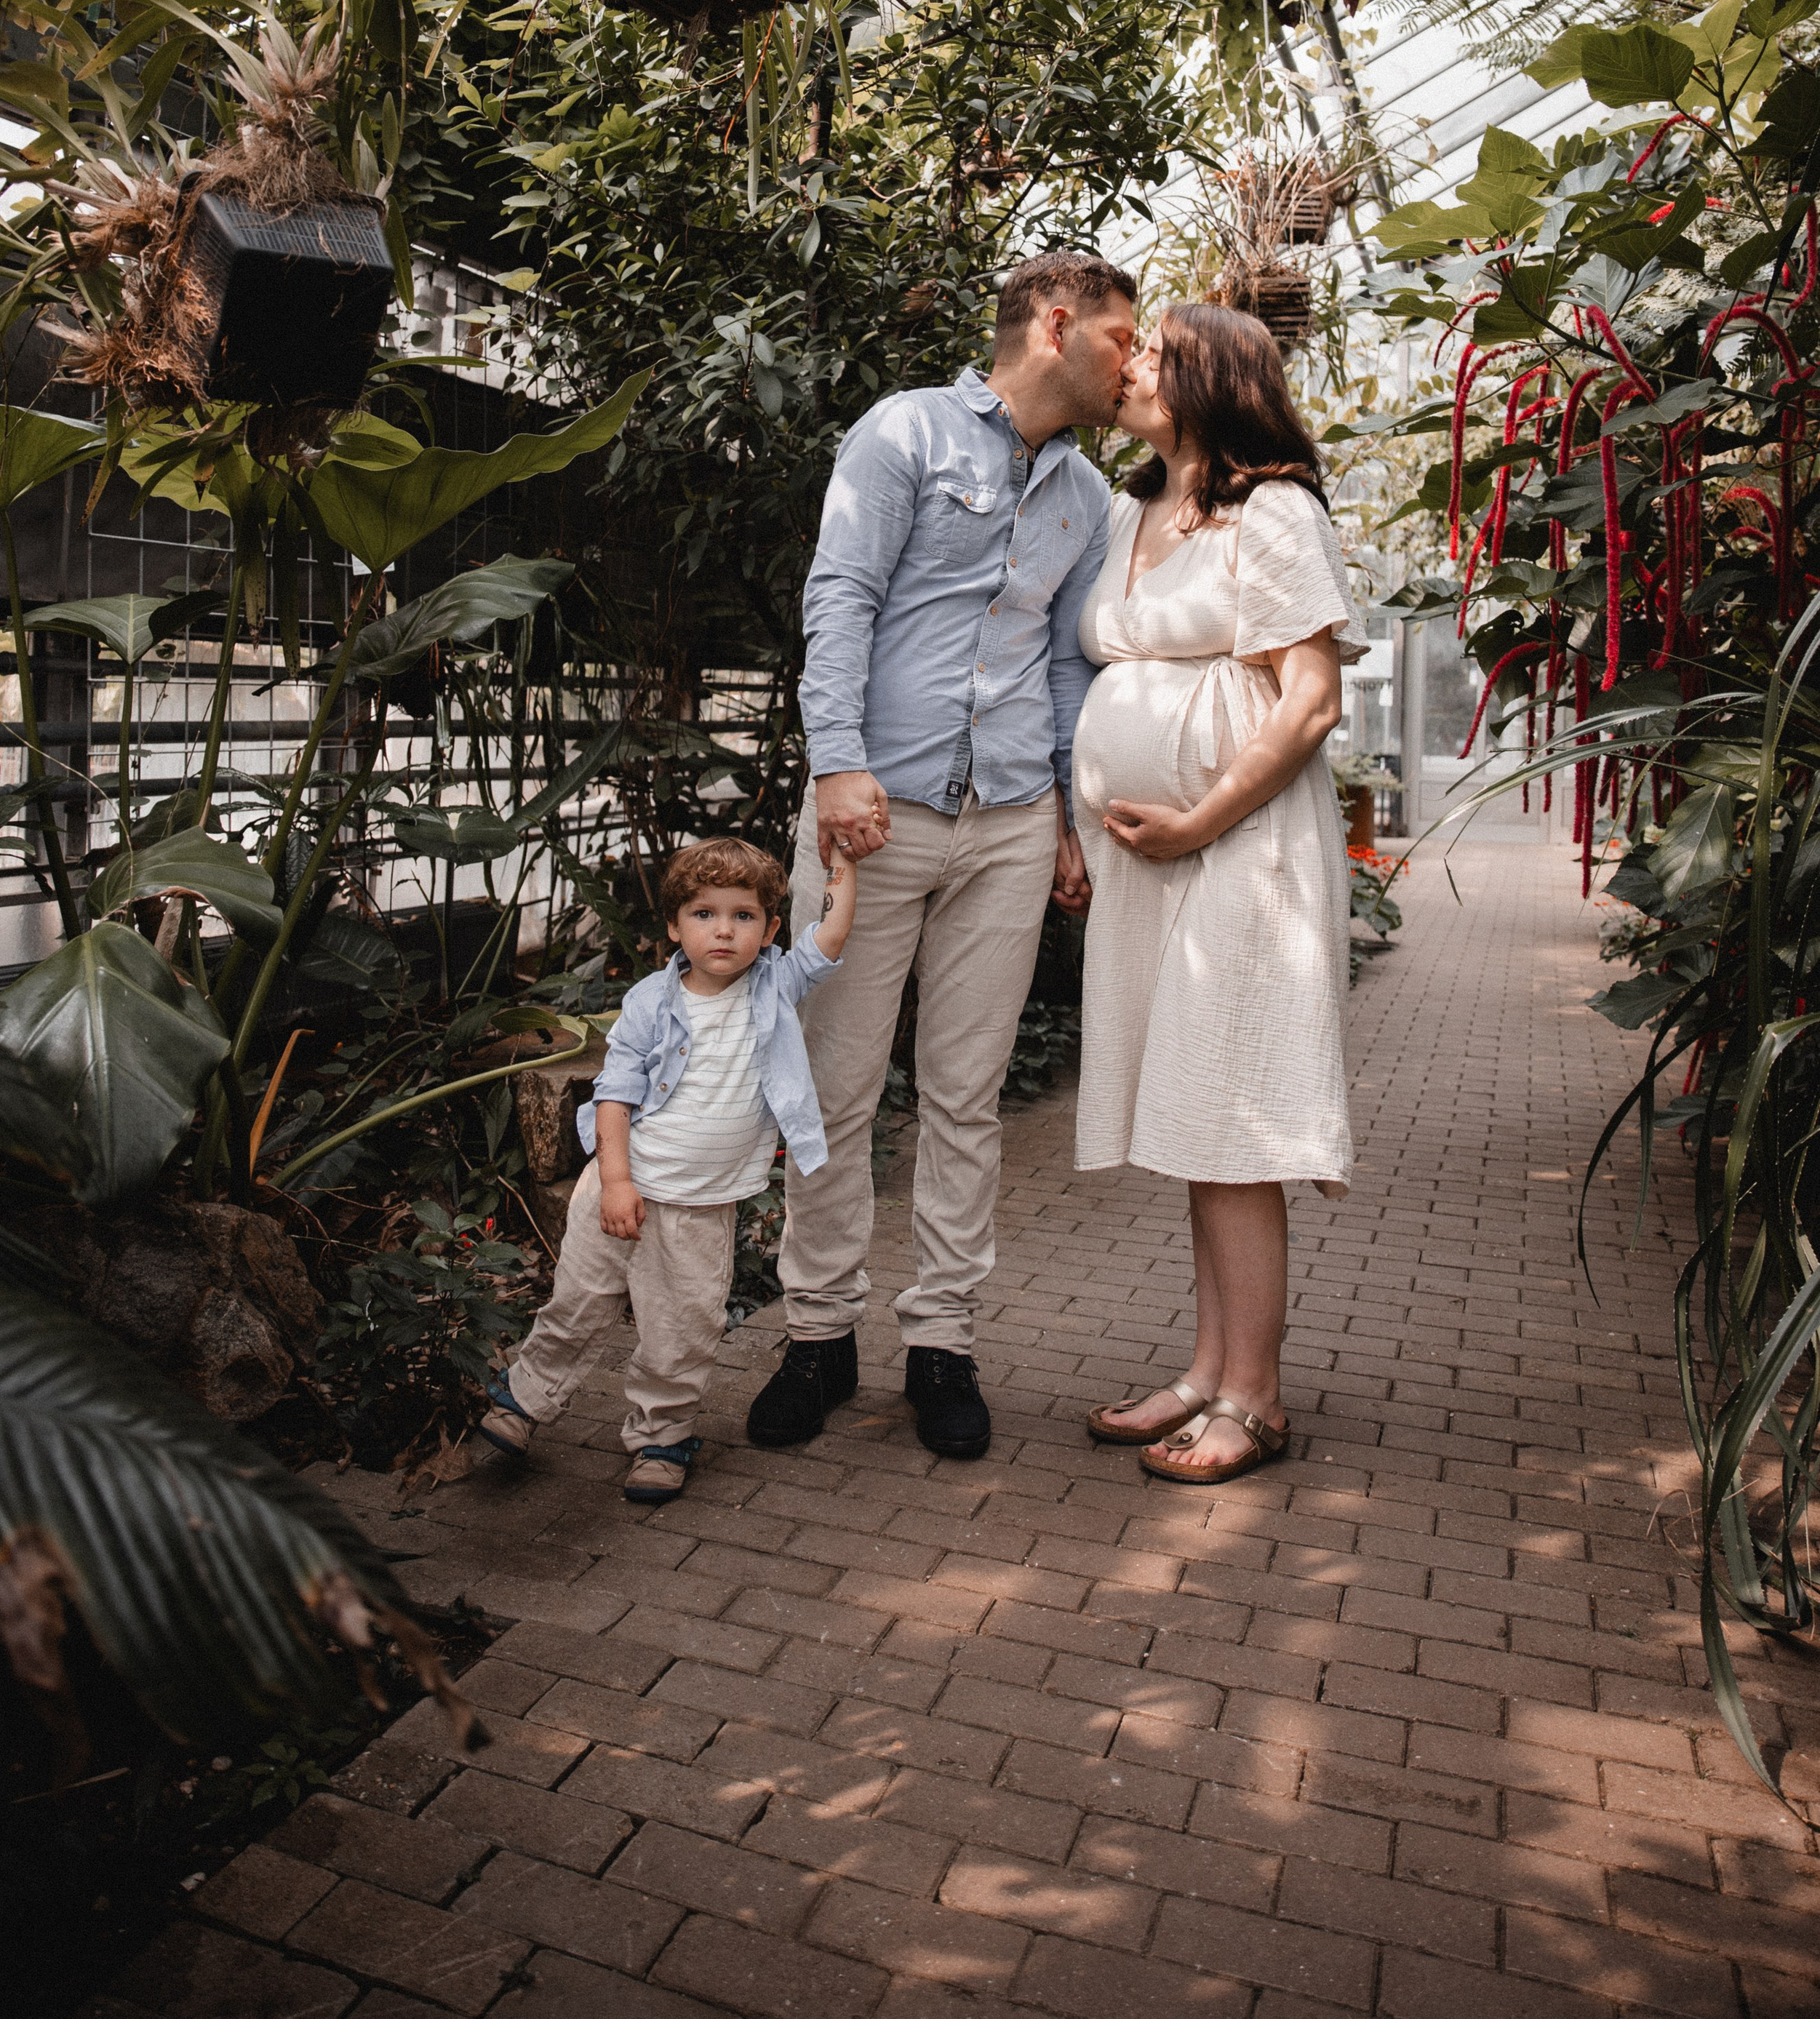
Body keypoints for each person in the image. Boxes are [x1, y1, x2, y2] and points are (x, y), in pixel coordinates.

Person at [745, 249, 1138, 1463]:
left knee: (968, 1097)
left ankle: (943, 1345)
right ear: (1056, 324)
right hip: (879, 816)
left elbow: (1070, 664)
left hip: (1013, 824)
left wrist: (1068, 819)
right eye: (1122, 337)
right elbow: (841, 596)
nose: (1136, 363)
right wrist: (836, 762)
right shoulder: (905, 433)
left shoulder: (1088, 497)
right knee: (836, 1086)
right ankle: (817, 1335)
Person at [1072, 303, 1365, 1486]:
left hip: (1246, 850)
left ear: (1214, 378)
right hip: (1152, 868)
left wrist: (1196, 816)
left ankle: (1257, 1397)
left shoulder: (1276, 511)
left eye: (1152, 357)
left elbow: (1309, 701)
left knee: (1237, 1123)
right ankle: (1204, 1372)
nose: (1129, 370)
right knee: (1197, 1118)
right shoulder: (1127, 507)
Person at [480, 836, 855, 1501]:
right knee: (579, 1302)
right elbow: (614, 1098)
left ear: (769, 930)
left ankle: (662, 1435)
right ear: (676, 924)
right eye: (705, 914)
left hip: (702, 1206)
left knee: (682, 1327)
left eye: (743, 917)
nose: (723, 930)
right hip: (621, 1188)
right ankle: (523, 1400)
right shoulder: (652, 1003)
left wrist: (845, 869)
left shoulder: (776, 985)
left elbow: (827, 939)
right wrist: (617, 1182)